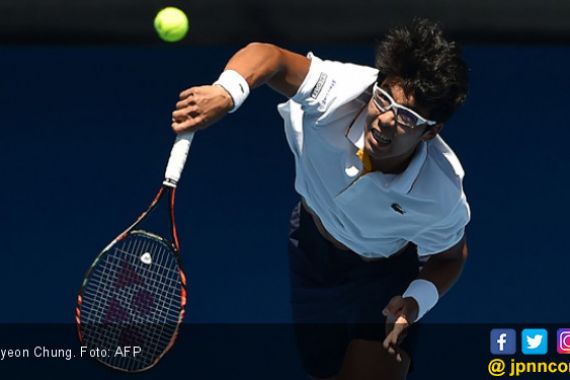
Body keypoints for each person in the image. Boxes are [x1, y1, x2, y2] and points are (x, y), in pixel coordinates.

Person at [171, 18, 470, 380]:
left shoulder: (441, 192)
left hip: (384, 278)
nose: (386, 120)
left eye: (407, 116)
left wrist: (416, 299)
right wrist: (226, 92)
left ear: (430, 131)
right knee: (323, 372)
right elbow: (270, 56)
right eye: (385, 99)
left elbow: (451, 256)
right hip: (310, 251)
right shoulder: (338, 92)